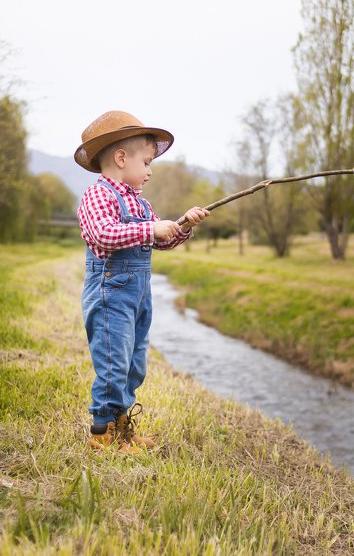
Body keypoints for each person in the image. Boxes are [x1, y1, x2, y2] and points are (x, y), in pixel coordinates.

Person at [74, 110, 209, 452]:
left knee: (134, 362)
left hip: (138, 295)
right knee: (113, 361)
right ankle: (102, 432)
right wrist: (151, 228)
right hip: (110, 294)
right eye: (147, 162)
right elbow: (103, 235)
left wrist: (184, 224)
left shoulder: (141, 204)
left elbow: (161, 239)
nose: (150, 170)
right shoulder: (98, 196)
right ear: (121, 158)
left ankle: (122, 429)